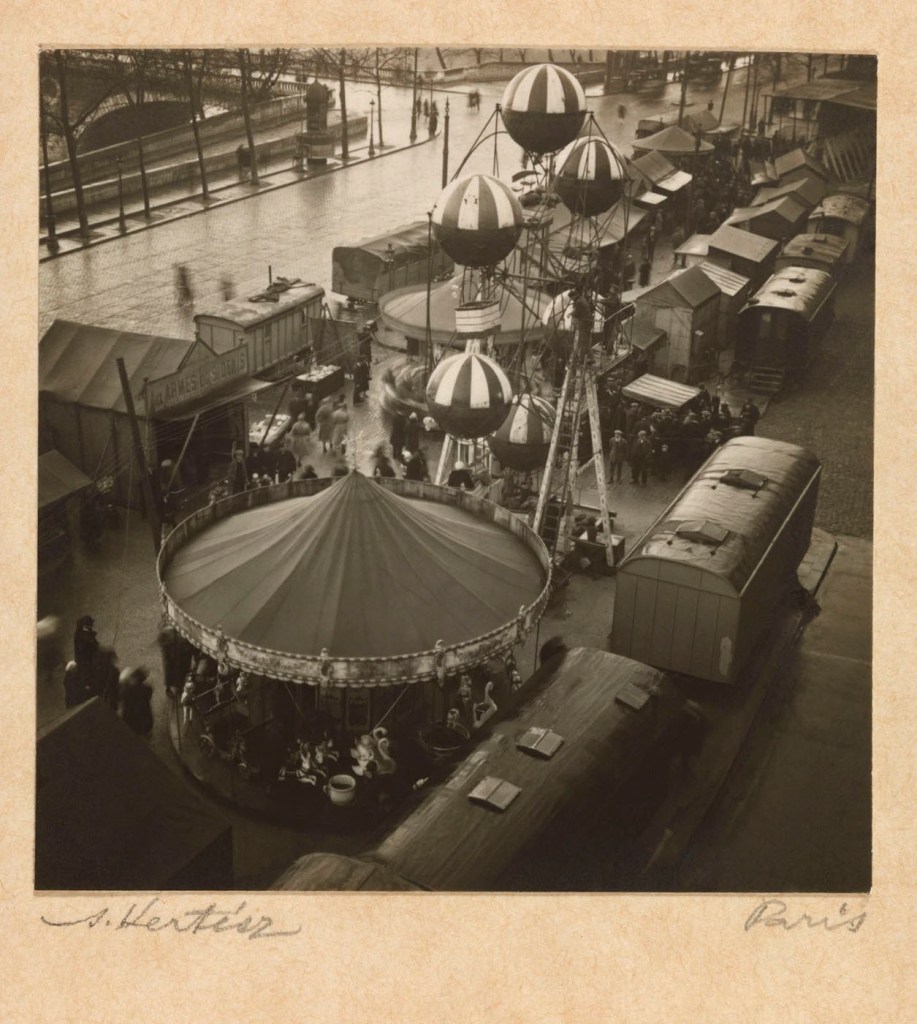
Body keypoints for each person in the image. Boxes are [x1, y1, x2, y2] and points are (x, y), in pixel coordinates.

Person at [119, 666, 154, 739]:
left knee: (134, 726)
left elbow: (123, 699)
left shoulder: (127, 689)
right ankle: (146, 735)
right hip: (143, 711)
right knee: (144, 725)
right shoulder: (145, 688)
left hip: (131, 714)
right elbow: (149, 694)